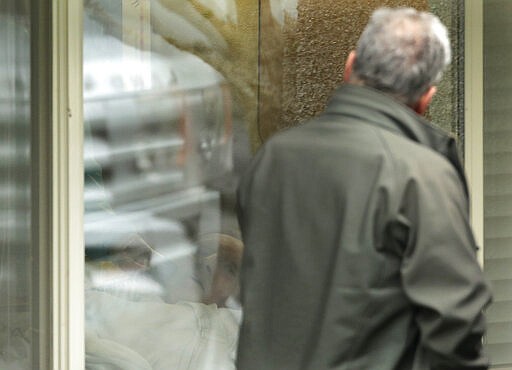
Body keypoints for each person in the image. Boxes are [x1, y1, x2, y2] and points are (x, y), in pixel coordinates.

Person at [235, 7, 492, 370]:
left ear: (350, 65)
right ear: (426, 98)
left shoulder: (274, 156)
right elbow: (455, 321)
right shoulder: (421, 175)